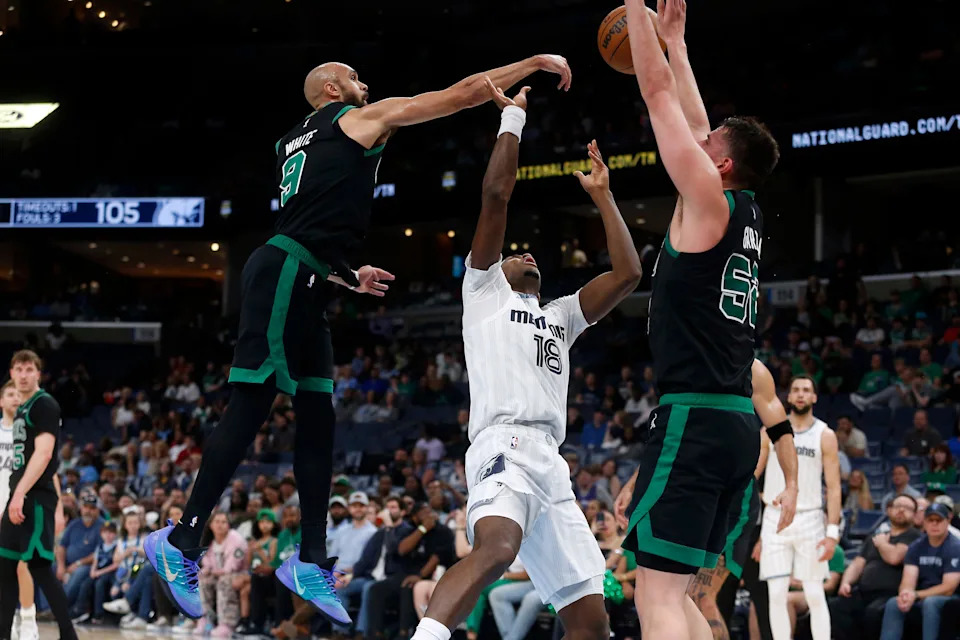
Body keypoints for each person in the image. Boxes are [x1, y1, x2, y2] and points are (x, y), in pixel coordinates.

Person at [145, 50, 573, 624]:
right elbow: (461, 92)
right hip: (285, 272)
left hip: (308, 275)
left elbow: (313, 213)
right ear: (329, 89)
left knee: (319, 417)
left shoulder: (292, 141)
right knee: (250, 406)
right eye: (352, 76)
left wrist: (346, 273)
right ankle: (181, 541)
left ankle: (312, 558)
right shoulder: (351, 119)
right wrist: (532, 65)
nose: (364, 82)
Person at [407, 76, 642, 640]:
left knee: (591, 621)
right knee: (498, 548)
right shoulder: (484, 293)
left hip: (552, 464)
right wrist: (512, 121)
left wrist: (604, 196)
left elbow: (629, 273)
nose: (525, 253)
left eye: (530, 254)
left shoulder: (560, 315)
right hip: (502, 446)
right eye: (515, 253)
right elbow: (496, 196)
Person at [613, 1, 783, 638]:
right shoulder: (740, 210)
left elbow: (658, 97)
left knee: (654, 600)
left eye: (708, 144)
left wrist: (636, 11)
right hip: (734, 423)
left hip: (695, 417)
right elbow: (696, 119)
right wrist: (678, 42)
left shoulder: (706, 201)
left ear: (721, 165)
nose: (697, 137)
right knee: (682, 595)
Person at [688, 360, 799, 640]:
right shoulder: (689, 364)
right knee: (686, 596)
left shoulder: (752, 373)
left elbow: (769, 446)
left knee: (703, 597)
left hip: (735, 499)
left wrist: (792, 486)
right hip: (697, 493)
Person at [756, 376, 842, 640]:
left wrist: (832, 533)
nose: (801, 394)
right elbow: (753, 475)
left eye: (807, 390)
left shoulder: (825, 435)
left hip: (811, 517)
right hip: (775, 518)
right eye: (796, 390)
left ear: (815, 397)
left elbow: (835, 487)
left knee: (815, 592)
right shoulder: (768, 432)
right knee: (777, 593)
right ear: (789, 397)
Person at [0, 350, 77, 640]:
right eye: (17, 369)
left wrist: (19, 493)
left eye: (28, 369)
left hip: (36, 499)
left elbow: (44, 455)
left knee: (40, 568)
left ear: (37, 374)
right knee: (5, 569)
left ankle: (68, 634)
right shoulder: (22, 408)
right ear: (11, 373)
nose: (22, 374)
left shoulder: (44, 404)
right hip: (16, 497)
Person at [828, 494, 922, 640]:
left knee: (873, 613)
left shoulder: (914, 536)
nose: (901, 510)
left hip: (890, 593)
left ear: (914, 515)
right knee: (834, 606)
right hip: (863, 591)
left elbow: (894, 558)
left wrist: (882, 544)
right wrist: (846, 582)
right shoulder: (876, 536)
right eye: (897, 506)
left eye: (907, 508)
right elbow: (858, 563)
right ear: (889, 510)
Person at [879, 502, 960, 640]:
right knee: (894, 603)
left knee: (931, 603)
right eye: (930, 520)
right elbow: (908, 579)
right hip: (922, 594)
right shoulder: (916, 546)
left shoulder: (955, 546)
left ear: (948, 521)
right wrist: (906, 594)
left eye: (939, 520)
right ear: (924, 522)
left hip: (951, 598)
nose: (934, 524)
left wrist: (916, 594)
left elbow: (949, 588)